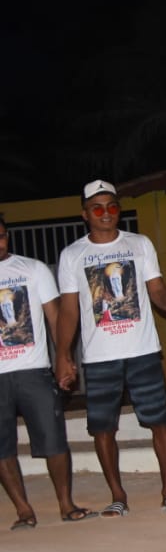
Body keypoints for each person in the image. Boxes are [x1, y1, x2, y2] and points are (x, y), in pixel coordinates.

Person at [56, 179, 166, 516]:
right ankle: (118, 495)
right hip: (99, 356)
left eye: (112, 206)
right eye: (98, 208)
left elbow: (158, 292)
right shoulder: (73, 254)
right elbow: (68, 309)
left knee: (158, 421)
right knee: (103, 427)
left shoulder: (139, 244)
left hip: (142, 350)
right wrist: (63, 355)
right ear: (85, 214)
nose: (106, 213)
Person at [0, 215, 97, 529]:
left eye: (1, 236)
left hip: (33, 370)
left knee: (54, 440)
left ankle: (66, 504)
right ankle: (24, 511)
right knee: (2, 447)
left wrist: (64, 358)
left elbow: (56, 319)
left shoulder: (32, 269)